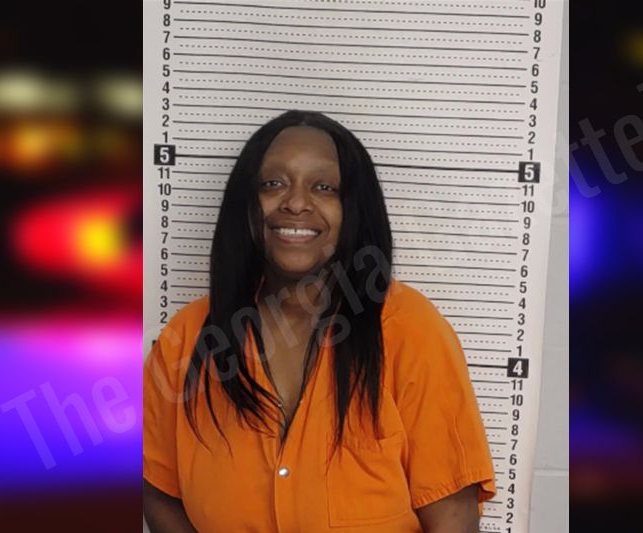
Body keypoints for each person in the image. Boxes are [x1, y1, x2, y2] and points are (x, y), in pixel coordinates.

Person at [143, 110, 495, 532]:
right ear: (246, 205)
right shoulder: (188, 338)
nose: (295, 203)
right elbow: (158, 488)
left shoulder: (411, 329)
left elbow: (453, 517)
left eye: (324, 187)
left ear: (354, 209)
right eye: (273, 184)